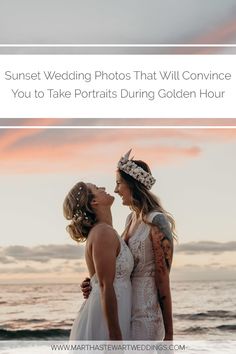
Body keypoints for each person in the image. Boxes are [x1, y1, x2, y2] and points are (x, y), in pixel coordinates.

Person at [82, 150, 176, 341]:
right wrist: (94, 282)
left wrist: (170, 334)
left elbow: (163, 279)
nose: (115, 190)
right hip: (125, 309)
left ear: (132, 185)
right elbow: (121, 265)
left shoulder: (157, 221)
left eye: (119, 183)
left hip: (146, 314)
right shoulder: (129, 220)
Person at [63, 181, 134, 340]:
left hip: (115, 314)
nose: (103, 188)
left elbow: (97, 281)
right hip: (105, 324)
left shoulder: (106, 232)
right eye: (97, 188)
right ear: (94, 202)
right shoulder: (103, 232)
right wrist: (115, 336)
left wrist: (90, 284)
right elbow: (104, 285)